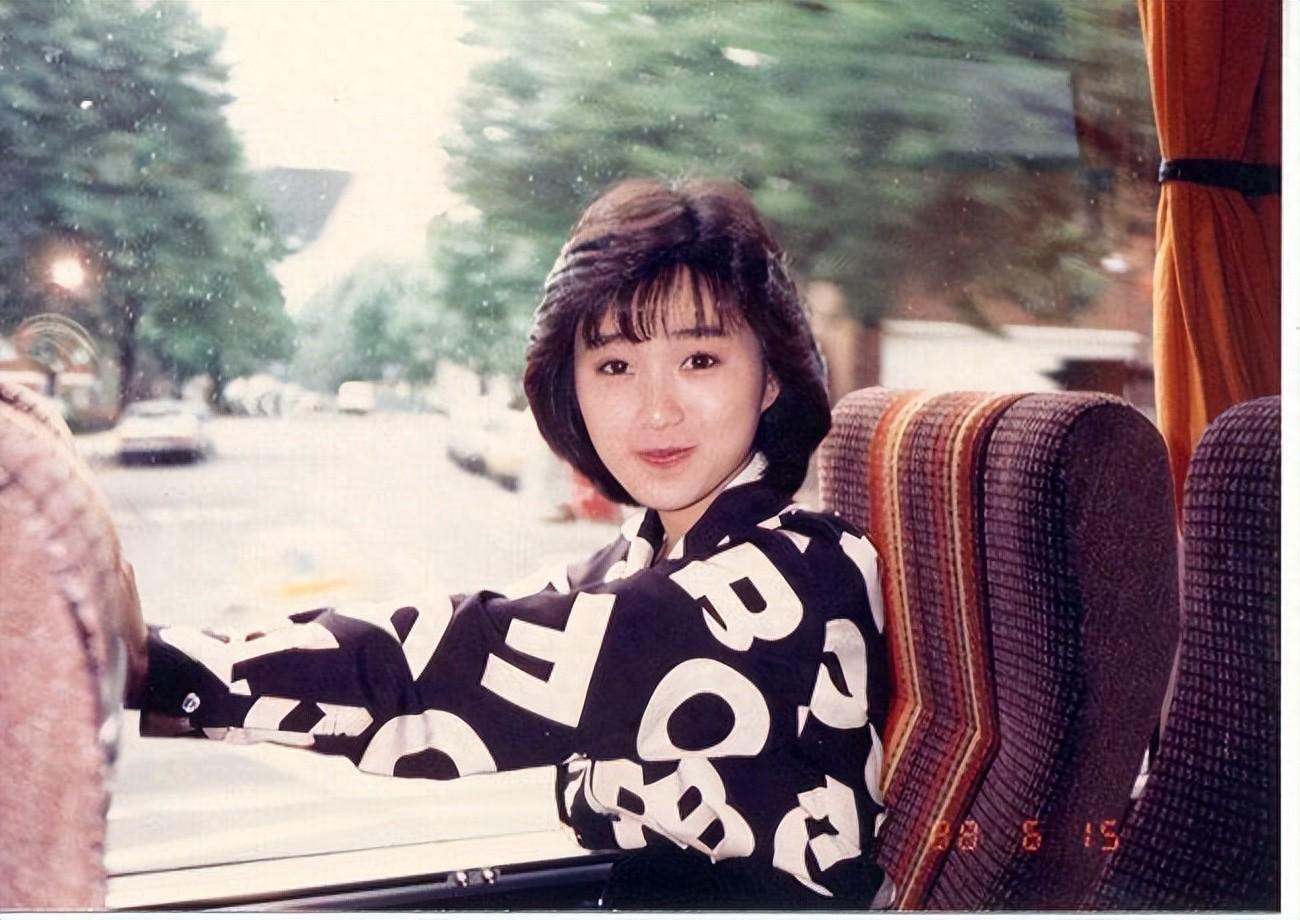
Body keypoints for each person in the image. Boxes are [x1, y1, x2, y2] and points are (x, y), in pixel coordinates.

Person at [123, 178, 892, 909]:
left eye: (700, 359)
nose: (658, 409)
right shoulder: (650, 556)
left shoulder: (794, 578)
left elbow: (455, 666)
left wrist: (159, 665)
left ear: (769, 378)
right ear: (572, 389)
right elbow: (492, 618)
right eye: (615, 365)